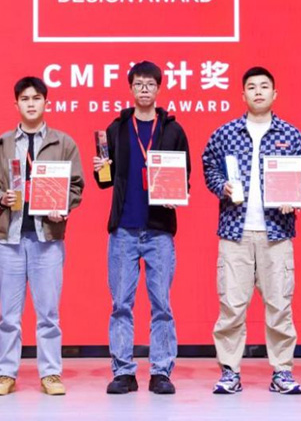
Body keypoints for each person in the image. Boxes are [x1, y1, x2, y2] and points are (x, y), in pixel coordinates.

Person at [201, 66, 301, 395]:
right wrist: (221, 186)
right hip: (235, 231)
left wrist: (294, 197)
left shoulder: (291, 134)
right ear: (243, 94)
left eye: (264, 86)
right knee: (232, 305)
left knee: (279, 305)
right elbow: (208, 165)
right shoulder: (225, 133)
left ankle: (282, 371)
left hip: (276, 232)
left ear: (275, 94)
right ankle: (229, 371)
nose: (258, 91)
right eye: (252, 87)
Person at [0, 77, 85, 396]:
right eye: (25, 99)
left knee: (48, 313)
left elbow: (76, 186)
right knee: (8, 315)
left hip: (47, 239)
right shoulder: (0, 144)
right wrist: (1, 198)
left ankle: (50, 373)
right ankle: (5, 374)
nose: (31, 103)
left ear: (46, 102)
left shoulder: (64, 143)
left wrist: (62, 207)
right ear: (16, 104)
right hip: (9, 239)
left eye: (36, 98)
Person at [93, 61, 191, 396]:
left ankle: (161, 371)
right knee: (121, 303)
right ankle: (123, 372)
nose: (144, 89)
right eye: (139, 84)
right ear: (131, 88)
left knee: (162, 304)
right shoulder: (117, 129)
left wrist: (177, 192)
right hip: (123, 228)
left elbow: (185, 175)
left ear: (159, 88)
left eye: (150, 83)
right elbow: (105, 181)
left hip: (159, 229)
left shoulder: (173, 130)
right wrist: (100, 169)